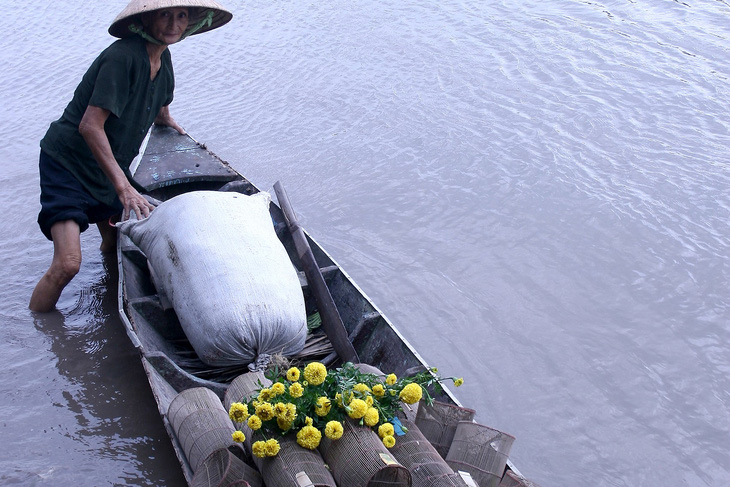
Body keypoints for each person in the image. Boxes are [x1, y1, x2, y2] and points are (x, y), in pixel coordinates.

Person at [30, 0, 232, 312]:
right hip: (69, 163)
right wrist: (124, 187)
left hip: (108, 165)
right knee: (68, 265)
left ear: (191, 22)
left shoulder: (163, 60)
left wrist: (167, 121)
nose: (173, 24)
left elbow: (160, 104)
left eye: (181, 16)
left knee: (114, 245)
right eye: (164, 14)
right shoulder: (122, 56)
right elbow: (89, 126)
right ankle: (40, 328)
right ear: (147, 19)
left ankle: (107, 303)